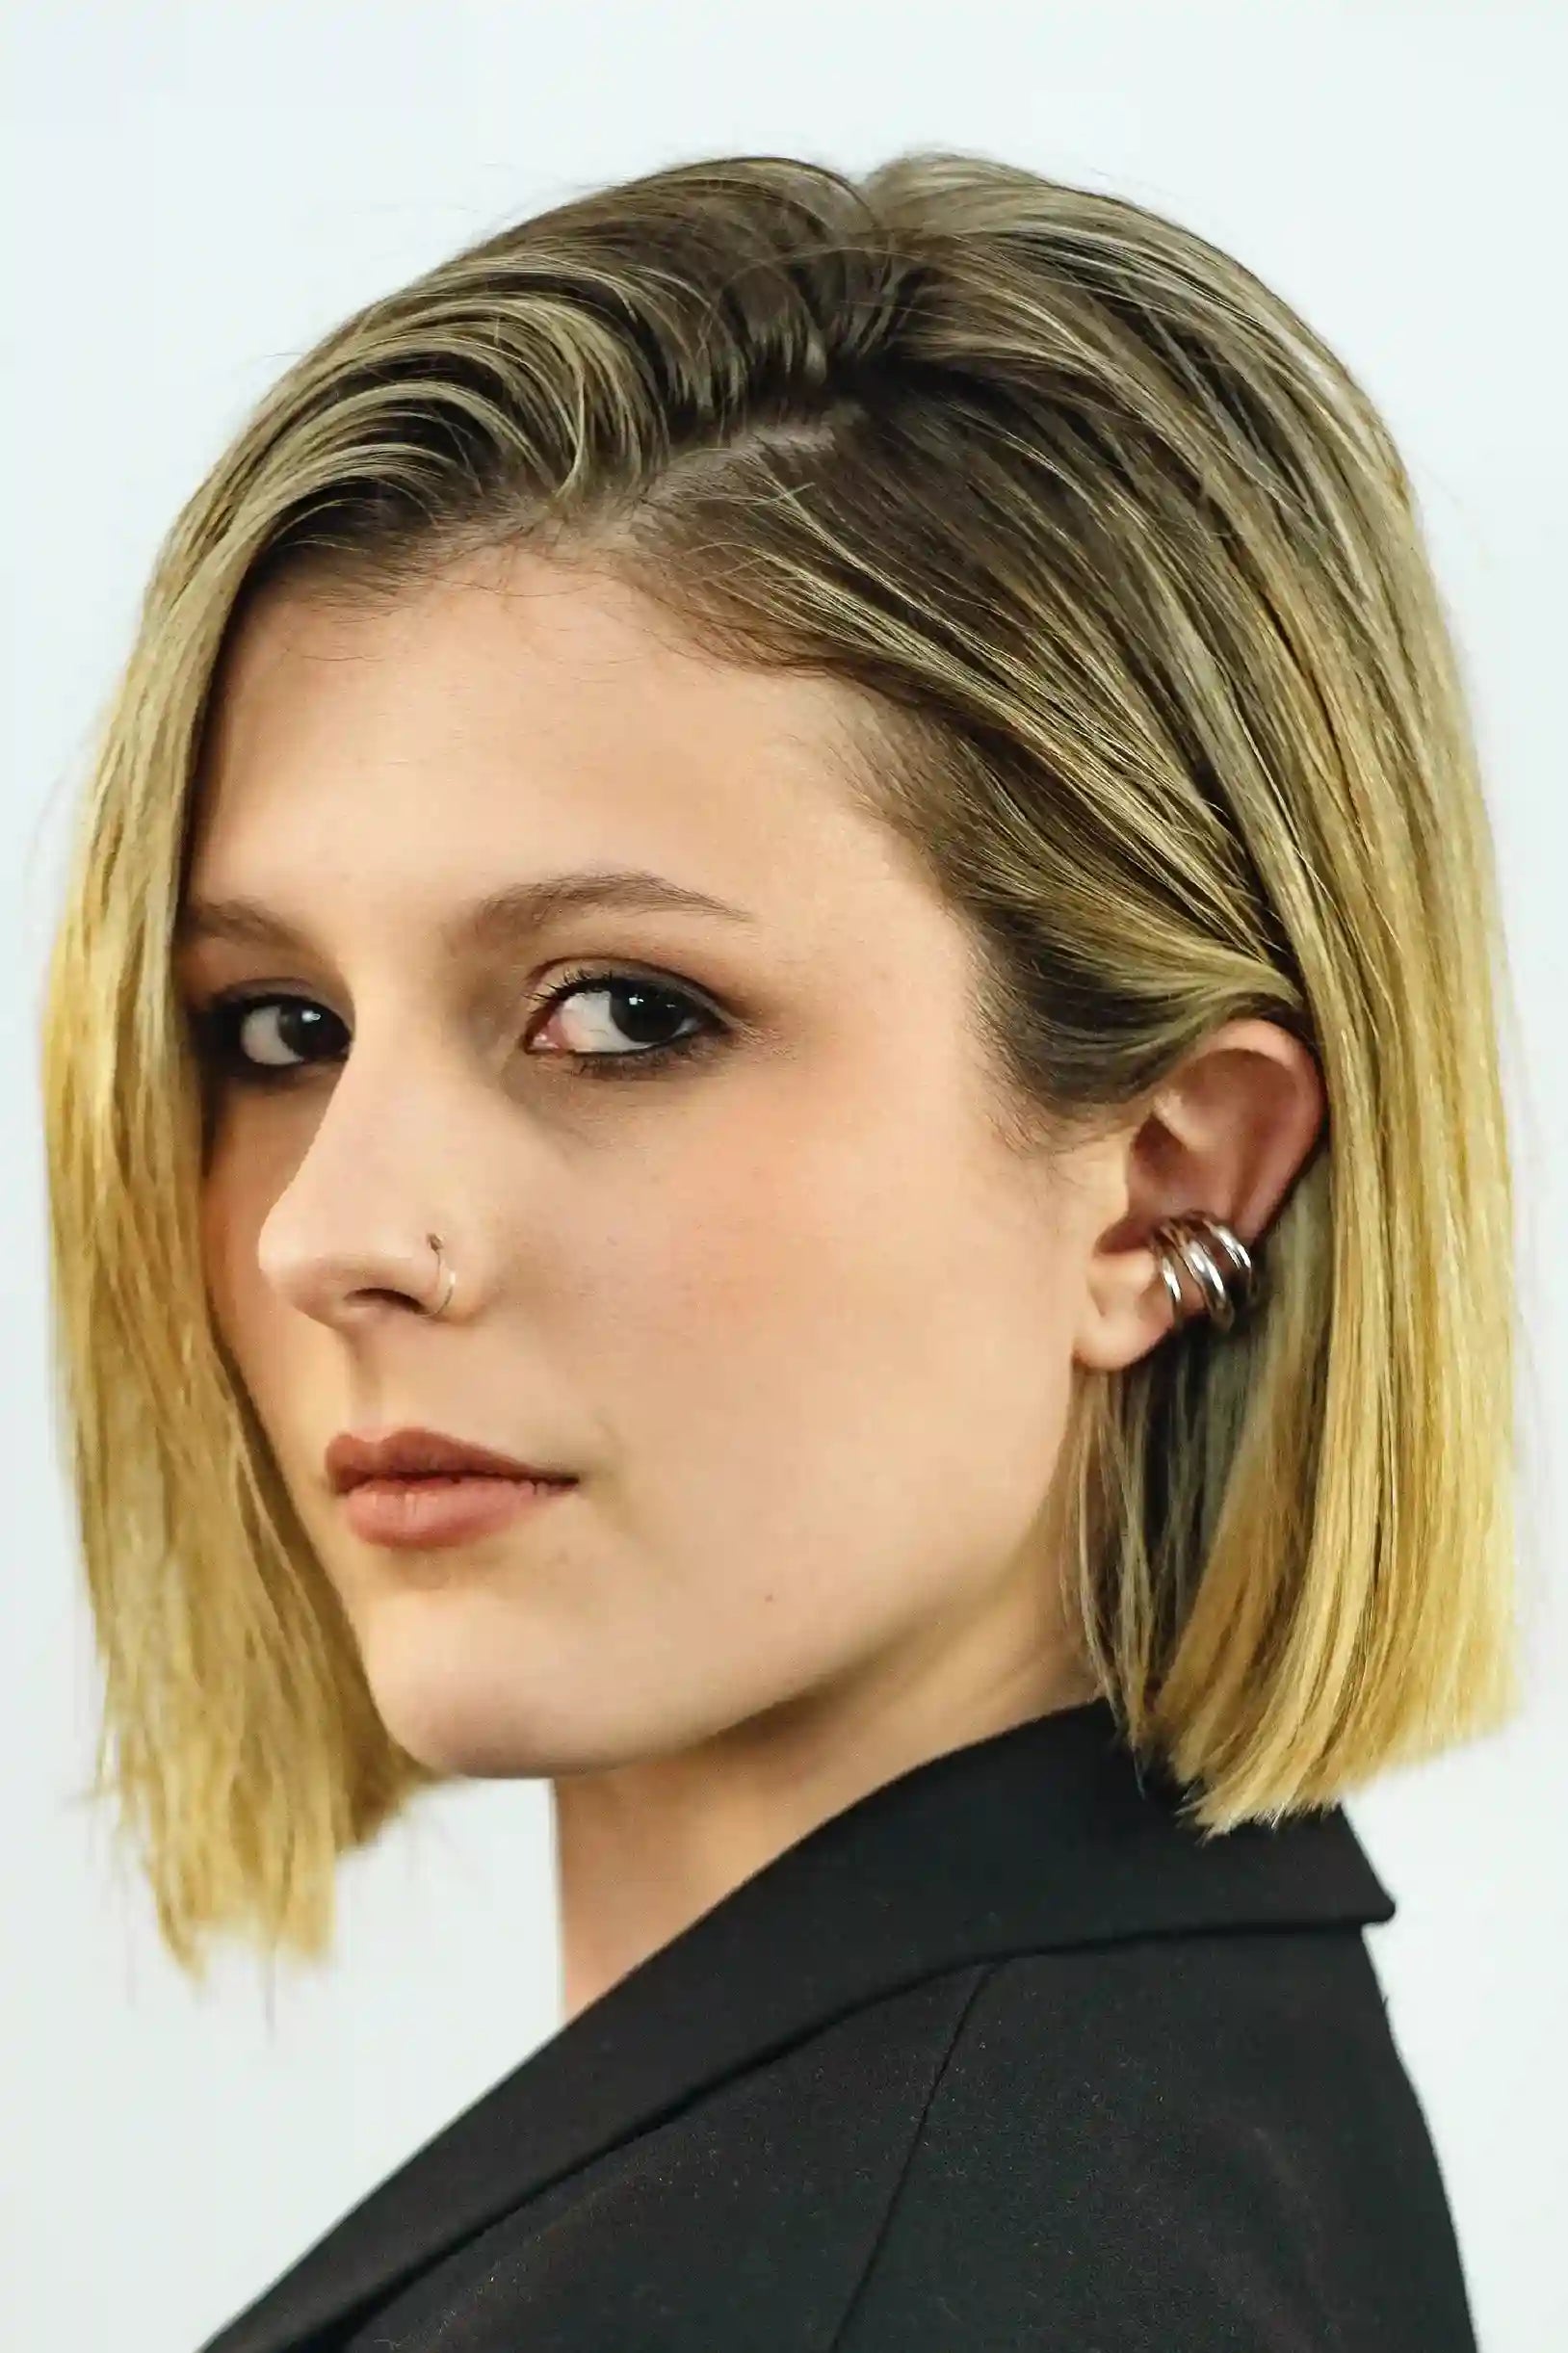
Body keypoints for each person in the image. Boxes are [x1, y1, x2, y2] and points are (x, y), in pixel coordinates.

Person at [39, 149, 1517, 2351]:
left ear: (1171, 1178)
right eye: (280, 1028)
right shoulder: (1150, 2131)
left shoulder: (930, 2266)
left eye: (624, 1014)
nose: (330, 1232)